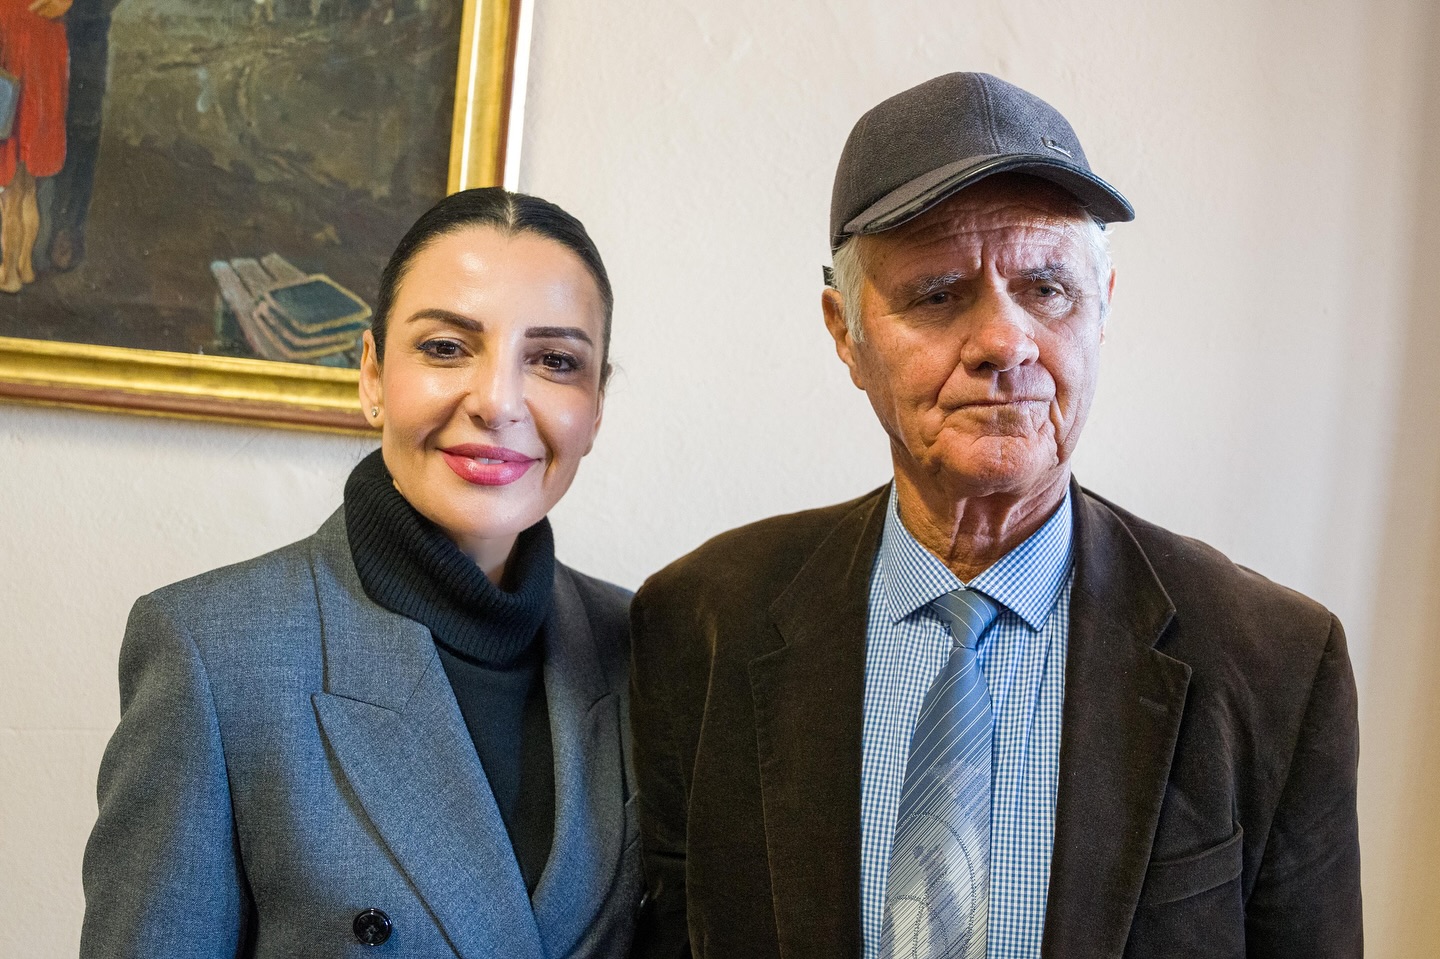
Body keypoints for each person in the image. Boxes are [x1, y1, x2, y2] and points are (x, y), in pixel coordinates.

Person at [628, 73, 1361, 959]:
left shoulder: (1275, 663)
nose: (1005, 342)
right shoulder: (702, 623)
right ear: (845, 331)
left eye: (1047, 288)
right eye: (938, 293)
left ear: (1102, 306)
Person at [81, 188, 642, 957]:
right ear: (373, 375)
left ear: (596, 406)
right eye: (445, 347)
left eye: (554, 361)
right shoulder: (211, 653)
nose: (498, 401)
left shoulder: (646, 646)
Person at [0, 0, 70, 292]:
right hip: (42, 68)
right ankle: (25, 265)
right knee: (29, 189)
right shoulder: (55, 11)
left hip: (12, 59)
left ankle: (8, 274)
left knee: (11, 195)